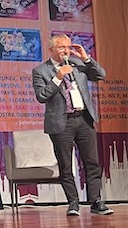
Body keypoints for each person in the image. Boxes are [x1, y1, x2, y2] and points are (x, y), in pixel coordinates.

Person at [32, 34, 112, 216]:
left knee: (92, 162)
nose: (66, 51)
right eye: (62, 47)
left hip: (83, 119)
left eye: (68, 47)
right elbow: (41, 96)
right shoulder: (41, 71)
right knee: (66, 165)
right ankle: (73, 203)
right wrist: (58, 77)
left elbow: (100, 75)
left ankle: (95, 201)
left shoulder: (77, 64)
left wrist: (86, 58)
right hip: (62, 123)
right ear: (51, 49)